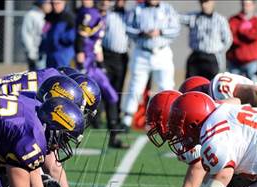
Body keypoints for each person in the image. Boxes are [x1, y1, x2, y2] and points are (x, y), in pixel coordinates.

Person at [121, 0, 179, 130]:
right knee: (136, 86)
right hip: (142, 52)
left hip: (162, 51)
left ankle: (168, 119)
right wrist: (142, 33)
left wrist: (161, 32)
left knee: (166, 86)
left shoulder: (168, 9)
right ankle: (127, 119)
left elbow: (176, 29)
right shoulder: (138, 9)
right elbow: (128, 28)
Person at [75, 0, 126, 148]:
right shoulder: (91, 14)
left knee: (111, 95)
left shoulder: (102, 16)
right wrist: (80, 61)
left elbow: (96, 45)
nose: (104, 3)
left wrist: (101, 64)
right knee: (77, 98)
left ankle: (114, 135)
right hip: (85, 62)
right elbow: (80, 38)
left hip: (92, 62)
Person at [179, 0, 232, 80]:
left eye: (207, 2)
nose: (204, 5)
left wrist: (218, 52)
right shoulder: (194, 17)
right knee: (192, 85)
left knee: (212, 86)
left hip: (212, 58)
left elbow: (228, 40)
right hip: (196, 57)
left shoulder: (220, 20)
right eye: (202, 2)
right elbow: (177, 18)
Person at [102, 0, 129, 132]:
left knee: (118, 89)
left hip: (122, 57)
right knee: (107, 89)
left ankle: (115, 120)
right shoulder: (108, 15)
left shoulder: (130, 15)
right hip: (107, 55)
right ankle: (107, 120)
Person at [227, 0, 257, 82]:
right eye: (244, 4)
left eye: (248, 4)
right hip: (235, 61)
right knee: (234, 86)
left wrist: (241, 31)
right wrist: (246, 35)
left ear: (253, 5)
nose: (246, 7)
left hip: (251, 62)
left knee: (253, 87)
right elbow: (230, 37)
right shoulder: (234, 19)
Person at [21, 0, 52, 71]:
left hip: (48, 52)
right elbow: (27, 35)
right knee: (40, 77)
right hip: (37, 53)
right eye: (48, 3)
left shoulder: (50, 15)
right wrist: (31, 53)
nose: (50, 5)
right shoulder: (31, 15)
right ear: (41, 4)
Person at [44, 0, 76, 68]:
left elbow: (72, 37)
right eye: (52, 4)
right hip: (50, 56)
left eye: (57, 3)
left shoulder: (69, 18)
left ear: (64, 3)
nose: (55, 6)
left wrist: (60, 38)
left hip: (64, 56)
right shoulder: (50, 17)